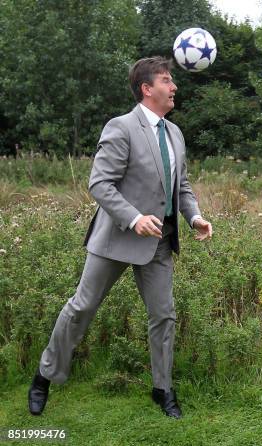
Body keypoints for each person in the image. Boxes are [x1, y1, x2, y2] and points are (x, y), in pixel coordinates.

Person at [27, 57, 213, 419]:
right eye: (166, 80)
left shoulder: (175, 134)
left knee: (164, 316)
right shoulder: (122, 127)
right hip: (115, 239)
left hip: (159, 241)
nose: (174, 86)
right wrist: (133, 218)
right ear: (147, 89)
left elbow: (182, 187)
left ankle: (163, 390)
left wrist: (195, 217)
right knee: (81, 307)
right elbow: (99, 183)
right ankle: (44, 376)